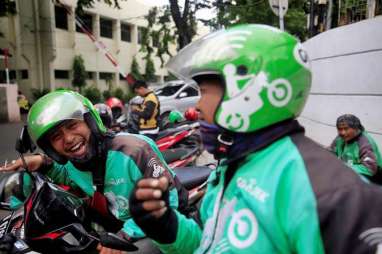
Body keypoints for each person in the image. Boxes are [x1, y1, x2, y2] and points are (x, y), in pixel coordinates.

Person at [128, 24, 382, 253]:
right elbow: (210, 243)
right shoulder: (233, 164)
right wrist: (164, 224)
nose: (198, 108)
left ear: (252, 94)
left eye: (204, 92)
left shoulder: (327, 193)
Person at [0, 90, 187, 253]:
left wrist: (125, 234)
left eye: (72, 125)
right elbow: (62, 173)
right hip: (119, 223)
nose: (69, 139)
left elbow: (169, 201)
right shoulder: (74, 164)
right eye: (56, 136)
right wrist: (41, 162)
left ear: (90, 121)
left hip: (162, 223)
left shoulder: (134, 150)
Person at [330, 114, 382, 181]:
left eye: (346, 129)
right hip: (348, 170)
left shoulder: (364, 143)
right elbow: (331, 152)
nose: (343, 132)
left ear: (356, 128)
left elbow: (370, 169)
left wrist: (343, 167)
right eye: (340, 129)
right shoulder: (340, 138)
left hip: (371, 178)